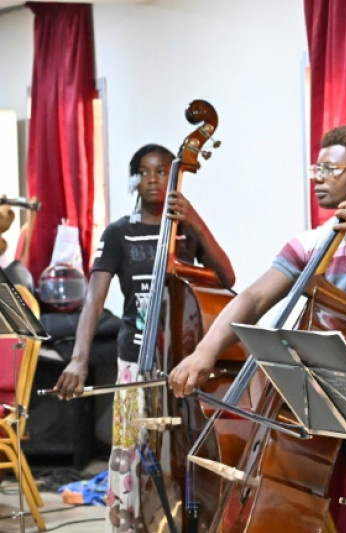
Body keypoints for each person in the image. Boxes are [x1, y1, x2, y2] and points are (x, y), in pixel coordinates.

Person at [52, 143, 236, 533]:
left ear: (175, 179)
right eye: (145, 172)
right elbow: (94, 300)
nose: (154, 180)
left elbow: (227, 280)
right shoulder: (120, 232)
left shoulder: (185, 232)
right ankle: (131, 524)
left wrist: (198, 224)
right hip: (136, 357)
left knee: (182, 448)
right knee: (134, 449)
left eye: (163, 172)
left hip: (182, 360)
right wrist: (79, 359)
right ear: (134, 179)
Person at [168, 124, 346, 396]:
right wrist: (205, 351)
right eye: (316, 170)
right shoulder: (313, 242)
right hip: (320, 384)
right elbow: (254, 298)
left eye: (329, 169)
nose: (318, 178)